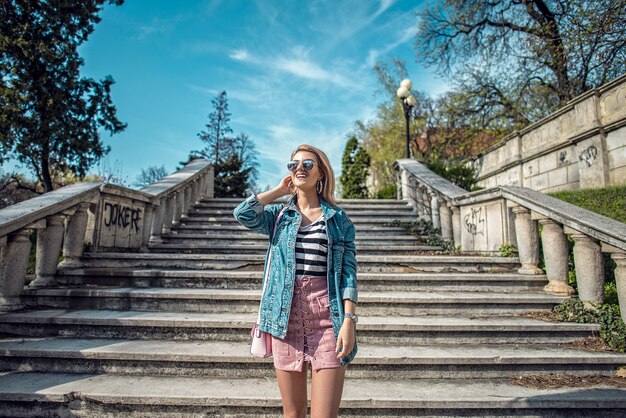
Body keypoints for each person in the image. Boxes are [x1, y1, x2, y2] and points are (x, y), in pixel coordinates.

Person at [233, 144, 358, 418]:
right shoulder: (278, 217)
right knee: (293, 413)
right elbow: (242, 213)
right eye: (294, 165)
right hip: (284, 319)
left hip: (328, 320)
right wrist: (279, 191)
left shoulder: (338, 221)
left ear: (321, 173)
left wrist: (349, 321)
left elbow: (348, 273)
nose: (299, 168)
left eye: (308, 164)